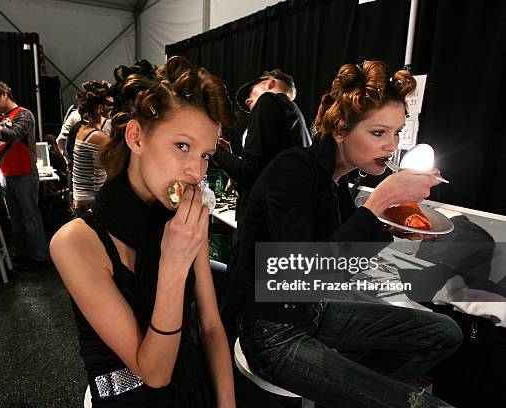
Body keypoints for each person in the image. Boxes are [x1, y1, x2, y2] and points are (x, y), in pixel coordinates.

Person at [235, 61, 463, 408]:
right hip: (274, 332)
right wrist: (381, 201)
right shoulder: (292, 170)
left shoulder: (337, 179)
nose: (391, 146)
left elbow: (340, 258)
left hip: (313, 313)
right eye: (378, 133)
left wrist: (389, 222)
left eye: (397, 132)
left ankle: (354, 391)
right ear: (340, 129)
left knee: (445, 332)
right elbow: (302, 275)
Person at [50, 56, 236, 407]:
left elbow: (211, 326)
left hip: (191, 385)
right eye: (182, 146)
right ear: (136, 137)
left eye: (205, 155)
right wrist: (173, 264)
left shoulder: (185, 217)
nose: (196, 171)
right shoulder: (75, 242)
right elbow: (154, 372)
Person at [211, 68, 312, 222]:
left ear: (270, 82)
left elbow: (249, 174)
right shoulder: (296, 120)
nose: (247, 100)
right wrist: (228, 156)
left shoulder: (269, 100)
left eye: (252, 91)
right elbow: (257, 177)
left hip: (261, 226)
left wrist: (210, 145)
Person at [0, 81, 50, 268]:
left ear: (4, 95)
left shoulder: (24, 114)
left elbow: (13, 135)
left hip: (25, 172)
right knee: (15, 219)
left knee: (30, 216)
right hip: (6, 174)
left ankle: (39, 257)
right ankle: (22, 254)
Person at [71, 80, 112, 216]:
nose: (113, 107)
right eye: (109, 104)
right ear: (100, 108)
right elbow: (108, 170)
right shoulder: (99, 137)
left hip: (81, 200)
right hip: (91, 202)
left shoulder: (83, 131)